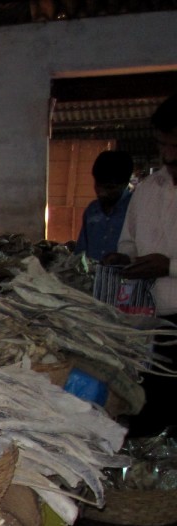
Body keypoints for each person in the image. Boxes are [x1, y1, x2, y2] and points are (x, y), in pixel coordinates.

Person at [103, 93, 177, 436]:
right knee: (151, 411)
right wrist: (125, 259)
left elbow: (164, 263)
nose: (169, 155)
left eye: (176, 145)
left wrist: (170, 266)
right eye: (163, 144)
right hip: (150, 324)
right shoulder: (148, 189)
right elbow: (129, 242)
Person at [70, 150, 134, 262]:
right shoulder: (92, 210)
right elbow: (81, 252)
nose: (101, 192)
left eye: (109, 187)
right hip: (93, 277)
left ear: (125, 183)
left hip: (126, 278)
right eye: (98, 185)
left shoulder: (136, 210)